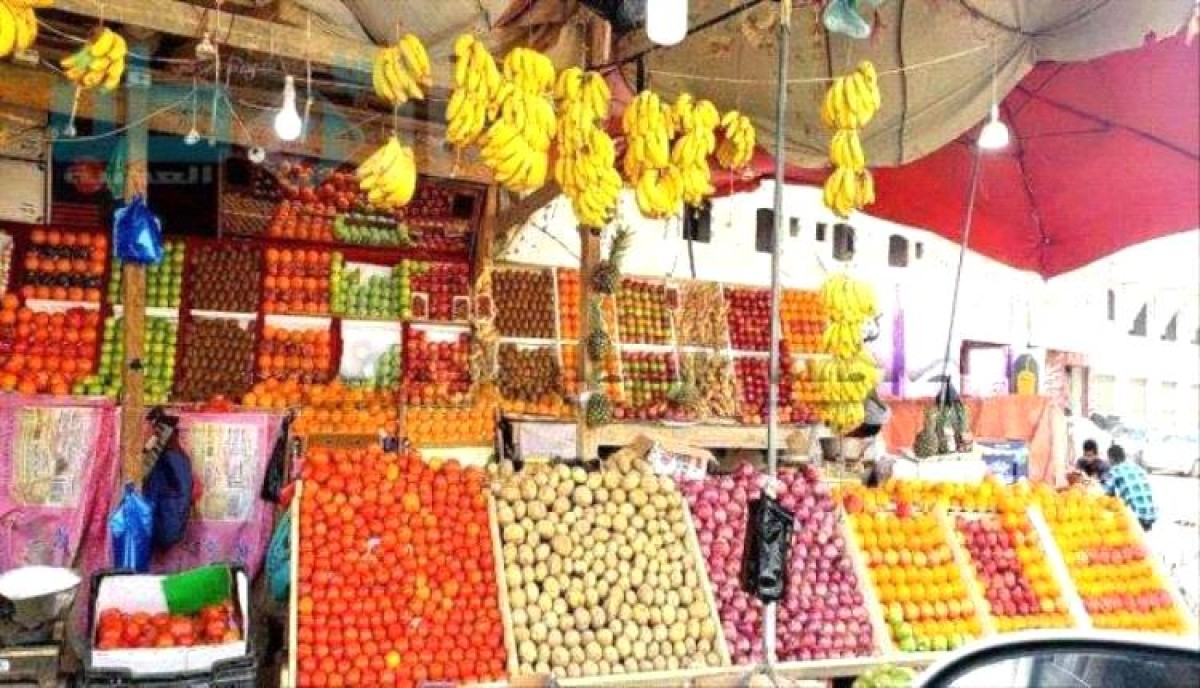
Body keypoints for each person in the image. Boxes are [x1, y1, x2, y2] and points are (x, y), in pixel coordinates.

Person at [1102, 444, 1158, 531]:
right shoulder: (1137, 468)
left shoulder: (1115, 470)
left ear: (1111, 459)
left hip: (1135, 517)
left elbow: (1104, 493)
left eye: (1108, 459)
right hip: (1151, 515)